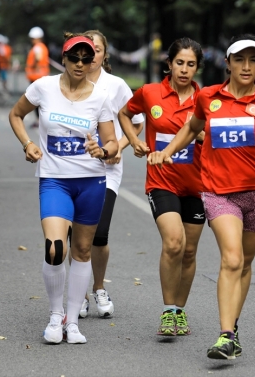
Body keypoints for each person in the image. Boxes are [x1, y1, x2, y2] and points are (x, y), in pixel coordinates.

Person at [147, 34, 255, 359]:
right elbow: (190, 127)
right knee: (231, 258)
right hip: (218, 193)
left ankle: (234, 327)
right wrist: (167, 152)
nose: (246, 66)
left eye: (253, 60)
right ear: (227, 63)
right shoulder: (210, 98)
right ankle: (226, 335)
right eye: (239, 60)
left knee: (244, 264)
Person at [8, 32, 119, 344]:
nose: (81, 63)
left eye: (87, 58)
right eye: (75, 58)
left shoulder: (100, 96)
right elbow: (16, 115)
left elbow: (111, 141)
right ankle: (56, 316)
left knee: (83, 250)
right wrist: (28, 143)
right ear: (65, 58)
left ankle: (73, 322)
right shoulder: (43, 87)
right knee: (56, 248)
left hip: (91, 182)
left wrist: (104, 151)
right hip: (55, 181)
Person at [118, 38, 206, 337]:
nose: (184, 70)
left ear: (197, 68)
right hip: (162, 181)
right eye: (179, 63)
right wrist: (134, 141)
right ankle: (168, 311)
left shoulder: (206, 100)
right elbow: (124, 114)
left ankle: (180, 312)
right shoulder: (150, 93)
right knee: (174, 243)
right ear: (169, 64)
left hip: (198, 185)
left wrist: (204, 137)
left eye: (190, 64)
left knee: (190, 251)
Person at [71, 29, 144, 319]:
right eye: (86, 51)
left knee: (98, 234)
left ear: (104, 54)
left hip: (106, 169)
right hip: (71, 168)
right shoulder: (68, 83)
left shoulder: (116, 86)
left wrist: (120, 147)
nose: (91, 56)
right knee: (74, 235)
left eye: (97, 50)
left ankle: (99, 287)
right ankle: (81, 294)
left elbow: (136, 122)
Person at [25, 26, 50, 128]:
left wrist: (34, 64)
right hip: (40, 75)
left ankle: (39, 120)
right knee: (40, 99)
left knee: (37, 100)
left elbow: (38, 57)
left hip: (36, 76)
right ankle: (40, 120)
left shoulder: (38, 47)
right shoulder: (42, 46)